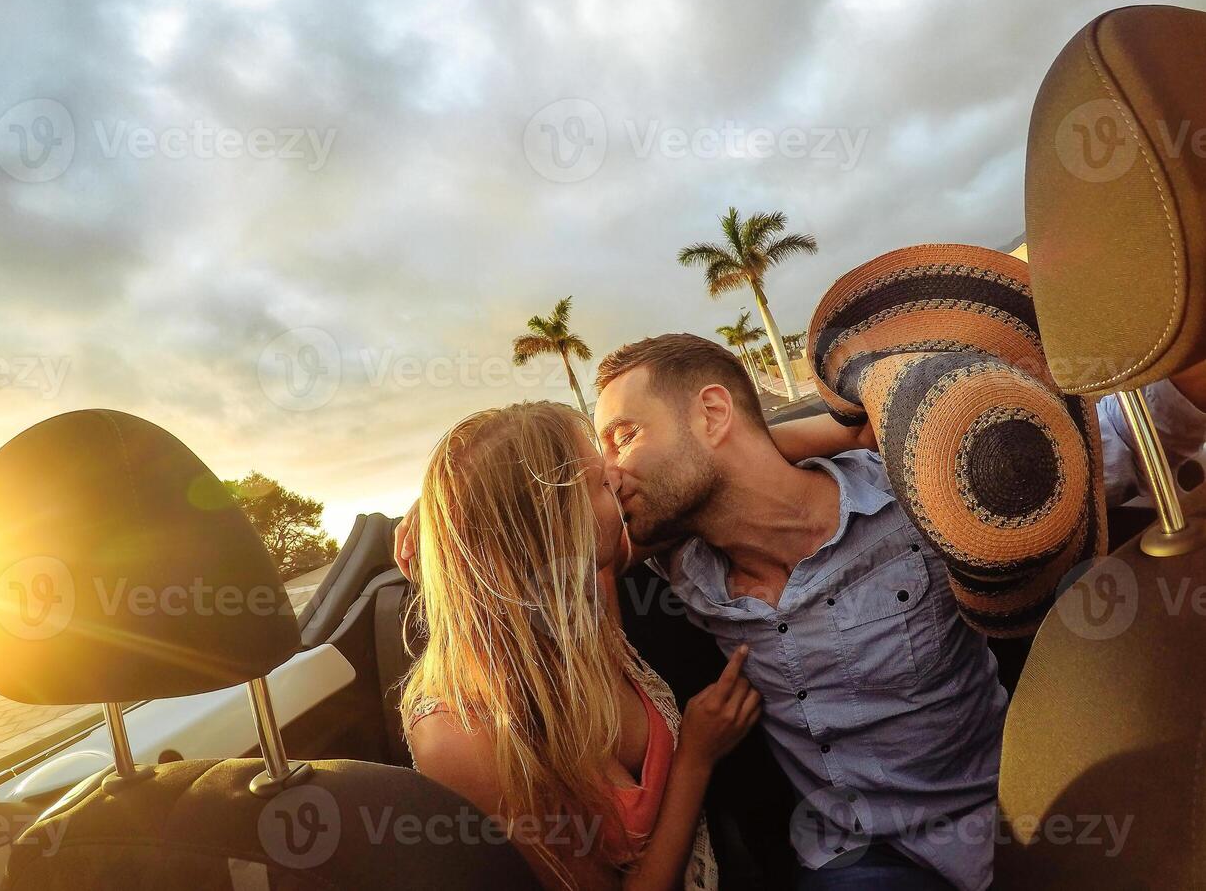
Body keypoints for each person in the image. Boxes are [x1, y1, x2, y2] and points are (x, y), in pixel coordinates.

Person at [588, 333, 1206, 891]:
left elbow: (1103, 452)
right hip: (850, 858)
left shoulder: (913, 491)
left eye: (625, 436)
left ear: (713, 413)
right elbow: (551, 545)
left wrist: (1182, 344)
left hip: (999, 821)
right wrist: (823, 431)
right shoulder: (677, 568)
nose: (610, 474)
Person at [399, 400, 760, 890]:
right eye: (598, 483)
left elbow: (721, 464)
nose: (617, 479)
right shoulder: (462, 733)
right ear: (555, 526)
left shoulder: (587, 592)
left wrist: (855, 432)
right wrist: (696, 756)